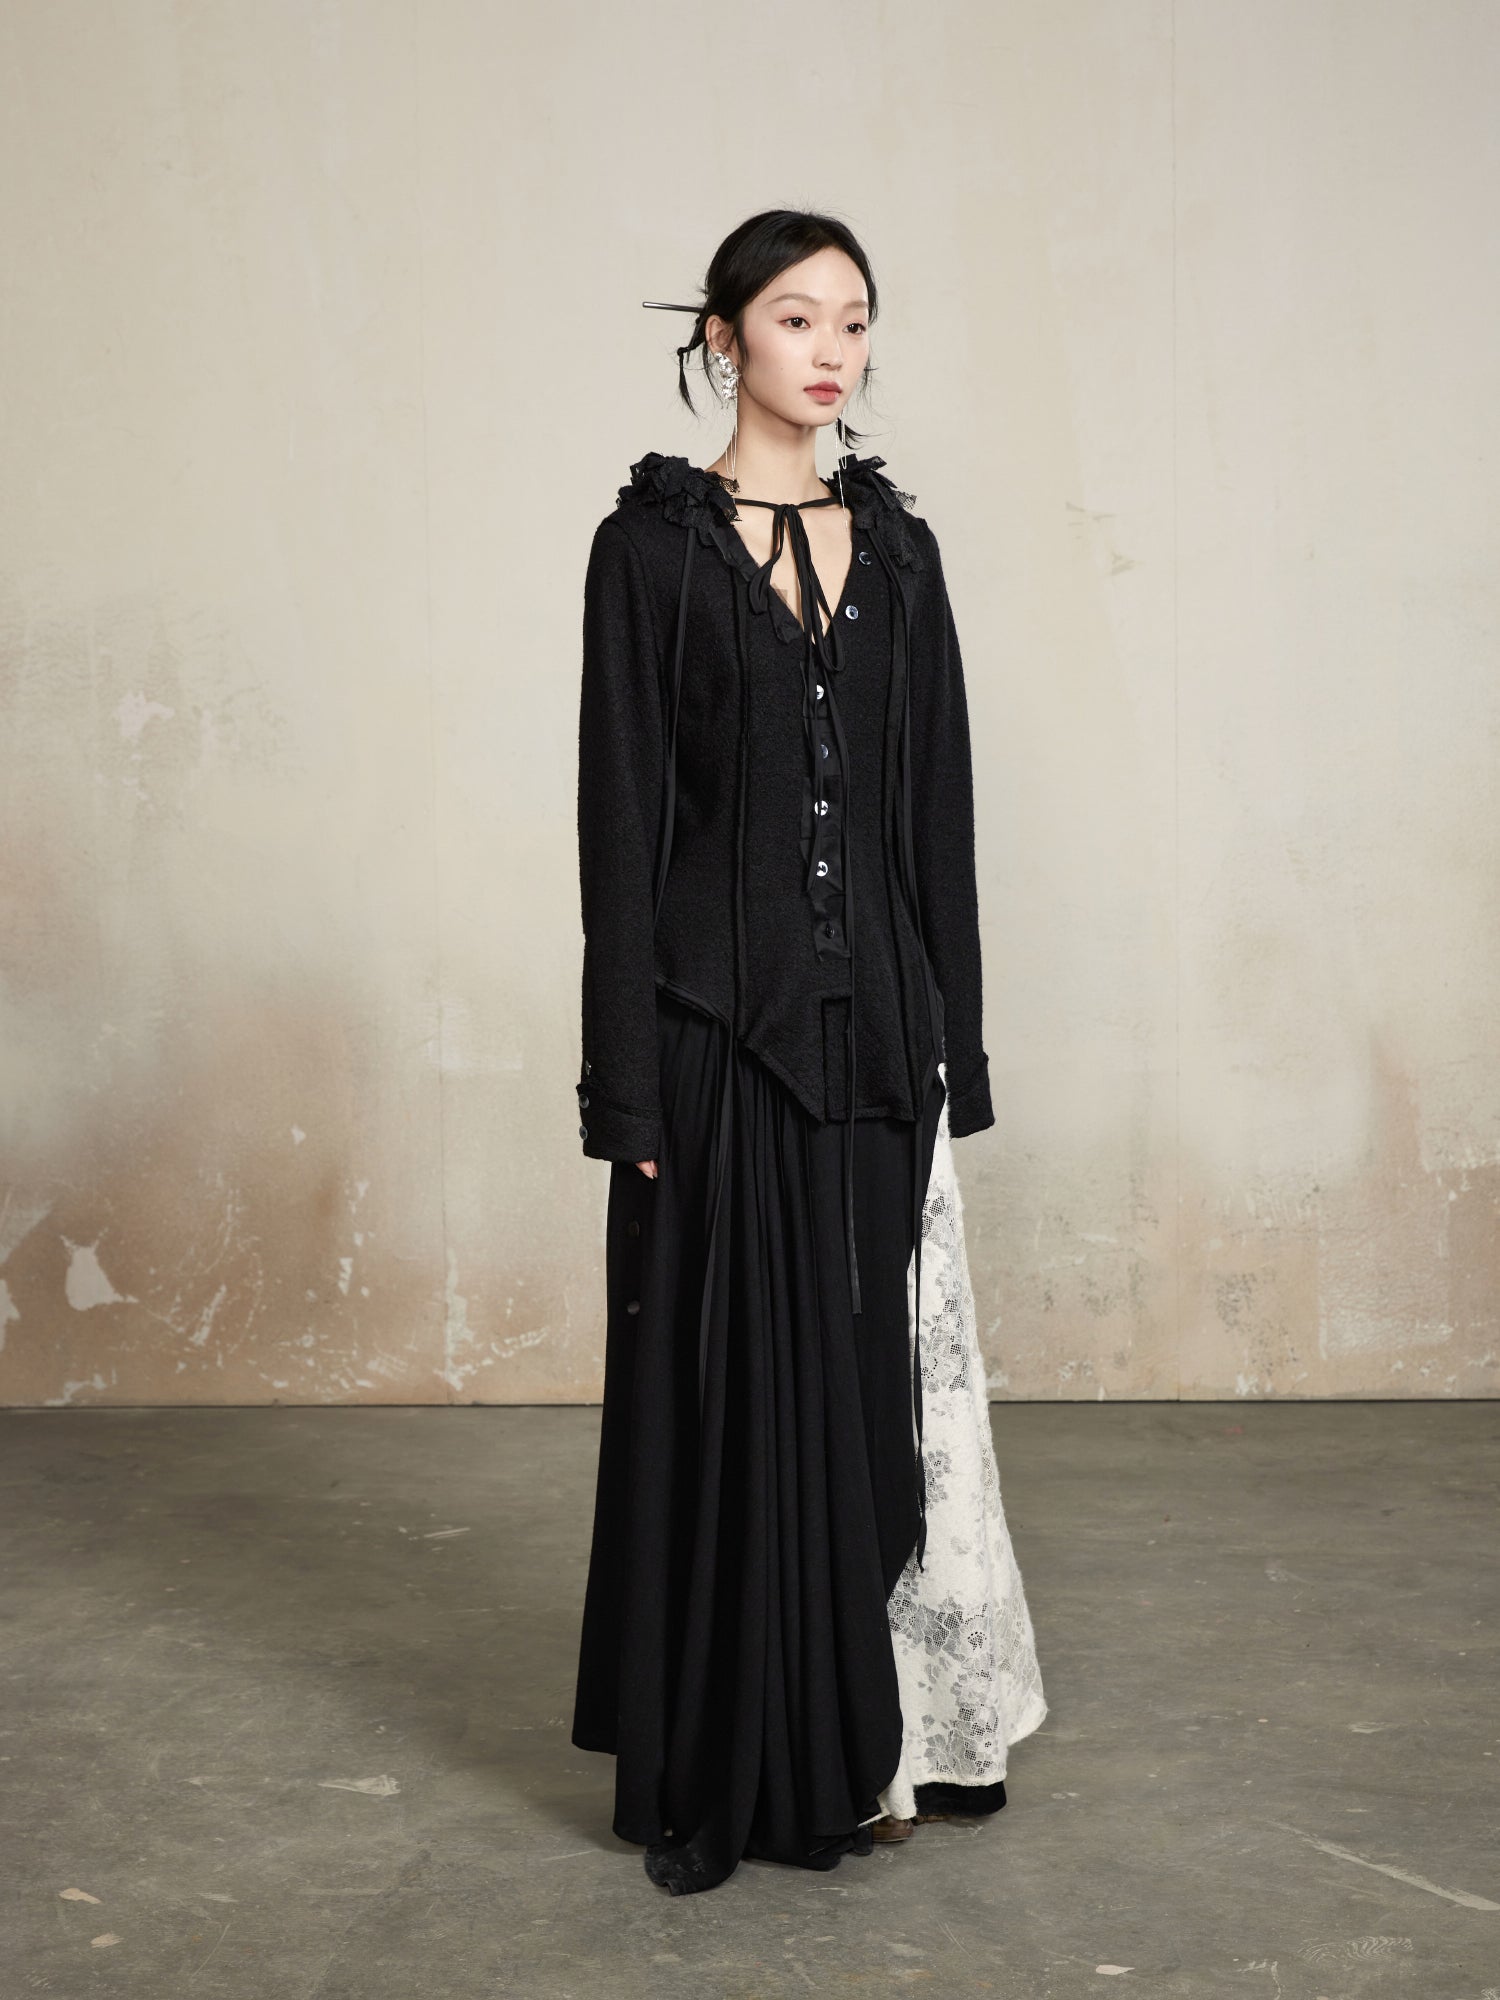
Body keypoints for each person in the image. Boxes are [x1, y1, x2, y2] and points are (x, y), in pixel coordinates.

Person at [570, 208, 1045, 1897]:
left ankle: (880, 1735)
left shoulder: (901, 550)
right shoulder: (648, 552)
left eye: (853, 319)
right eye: (794, 317)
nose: (831, 348)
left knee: (867, 1399)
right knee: (731, 1403)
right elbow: (621, 827)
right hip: (716, 1039)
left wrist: (953, 1043)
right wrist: (625, 1083)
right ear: (724, 337)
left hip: (878, 1042)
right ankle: (754, 1757)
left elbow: (938, 815)